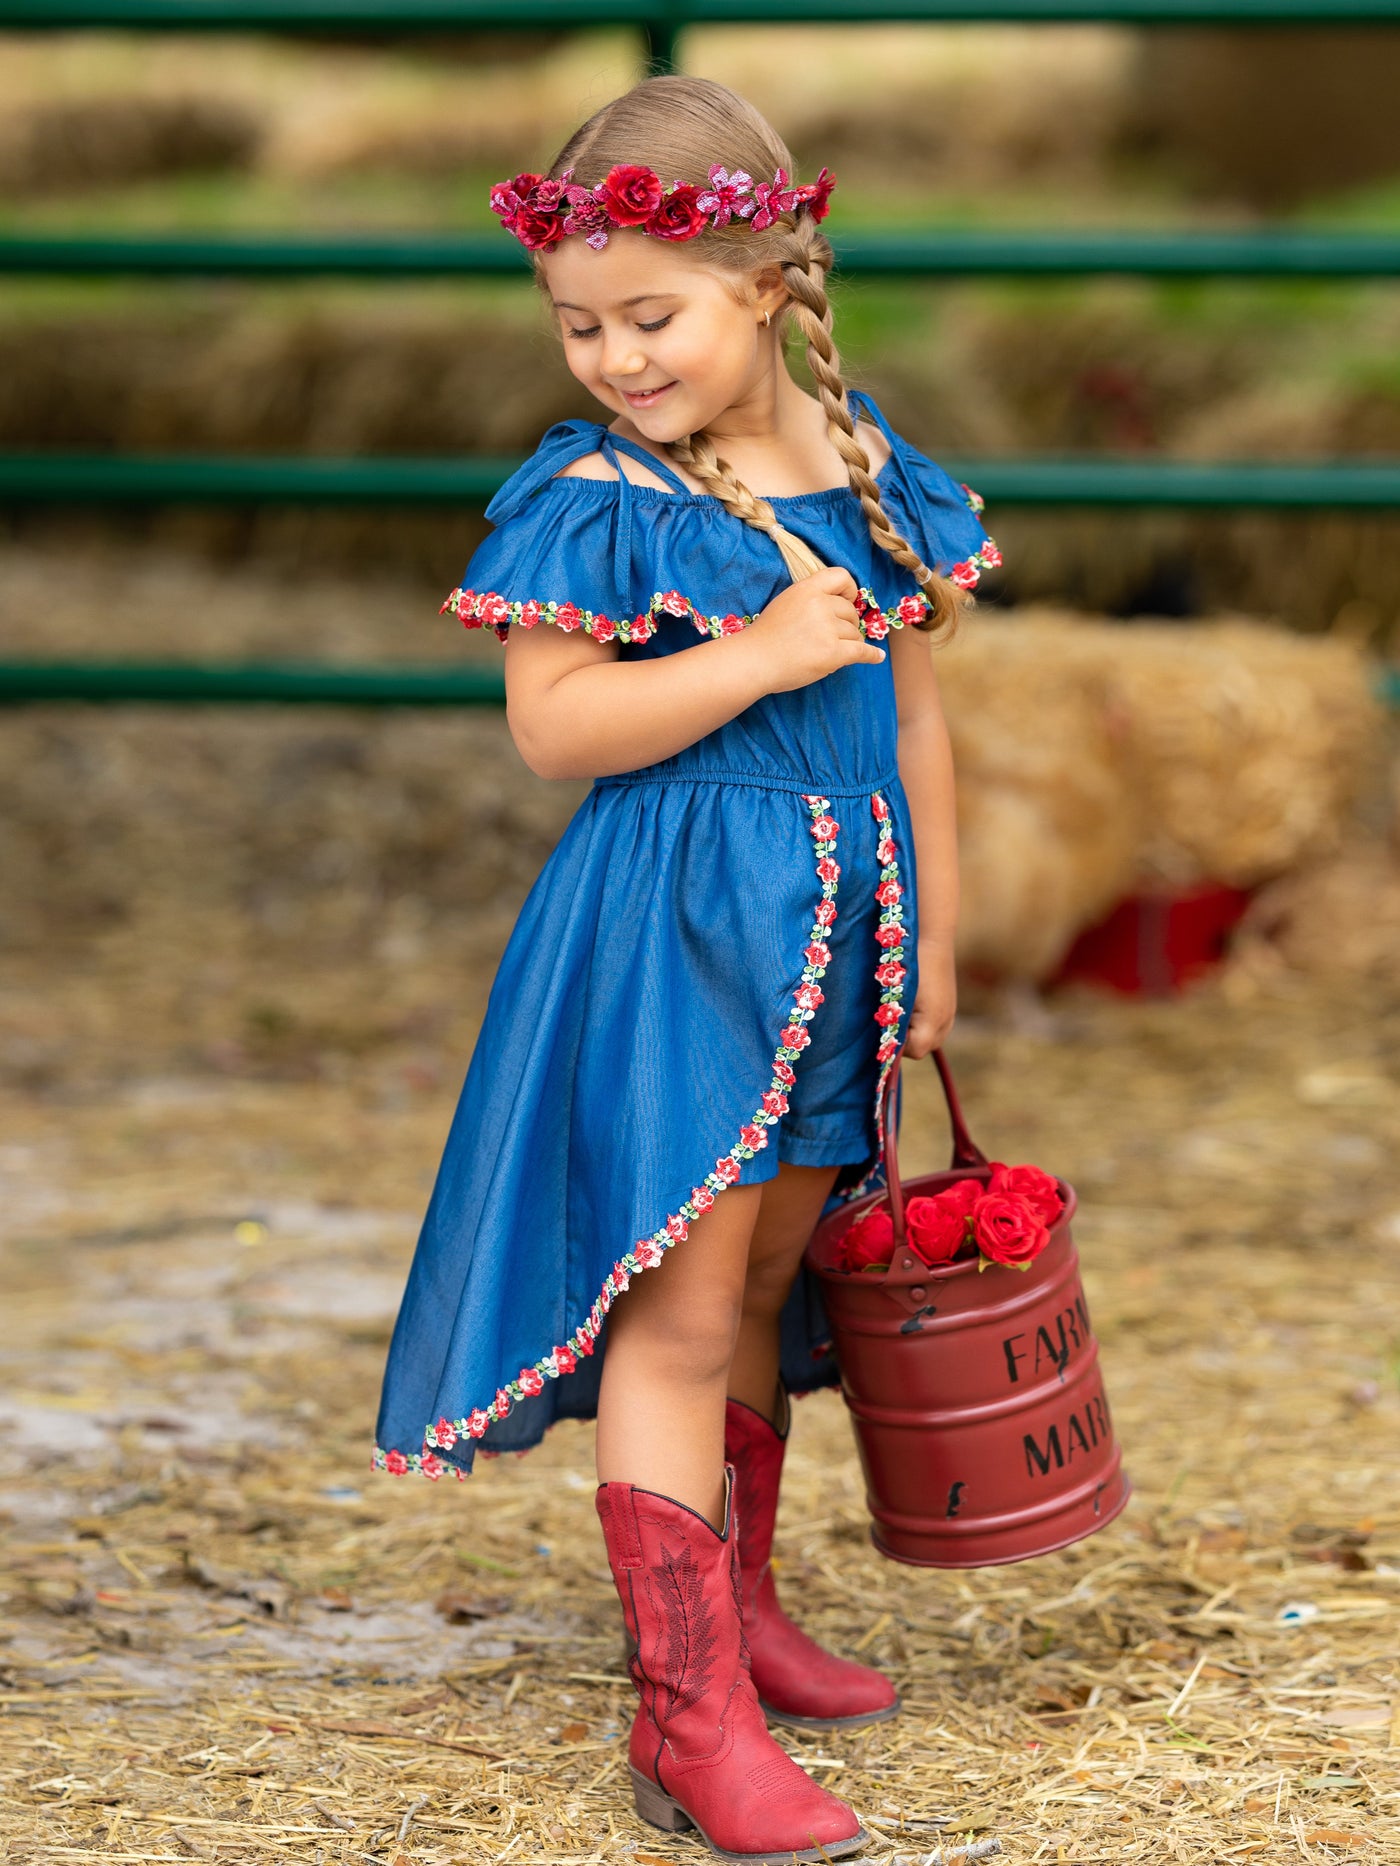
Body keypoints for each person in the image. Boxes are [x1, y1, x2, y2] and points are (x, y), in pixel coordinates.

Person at [374, 74, 1002, 1865]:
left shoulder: (863, 465)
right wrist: (757, 656)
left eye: (651, 318)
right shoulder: (599, 495)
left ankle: (741, 1602)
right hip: (674, 940)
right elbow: (554, 729)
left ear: (771, 284)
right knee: (682, 1302)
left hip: (845, 930)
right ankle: (686, 1708)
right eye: (580, 326)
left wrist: (940, 933)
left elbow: (918, 717)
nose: (615, 359)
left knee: (777, 1267)